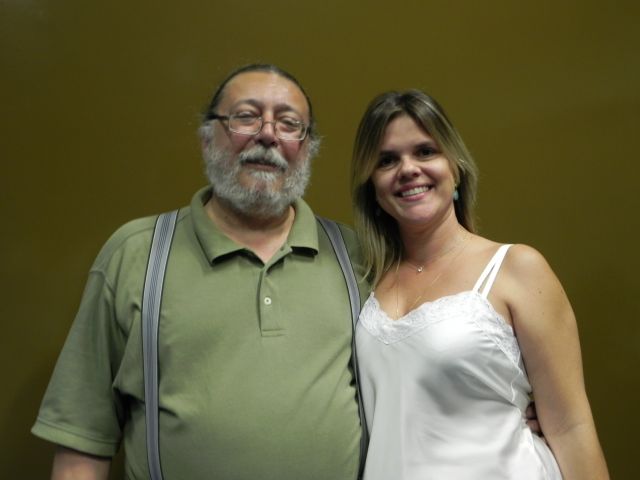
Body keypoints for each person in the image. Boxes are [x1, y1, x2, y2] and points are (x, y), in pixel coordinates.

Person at [32, 64, 368, 480]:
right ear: (207, 138)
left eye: (288, 123)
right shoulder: (136, 254)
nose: (268, 135)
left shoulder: (356, 256)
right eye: (246, 116)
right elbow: (81, 443)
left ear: (308, 147)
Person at [351, 89, 609, 479]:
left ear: (455, 167)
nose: (408, 169)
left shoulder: (515, 268)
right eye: (387, 160)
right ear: (372, 185)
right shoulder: (364, 281)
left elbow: (571, 426)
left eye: (425, 151)